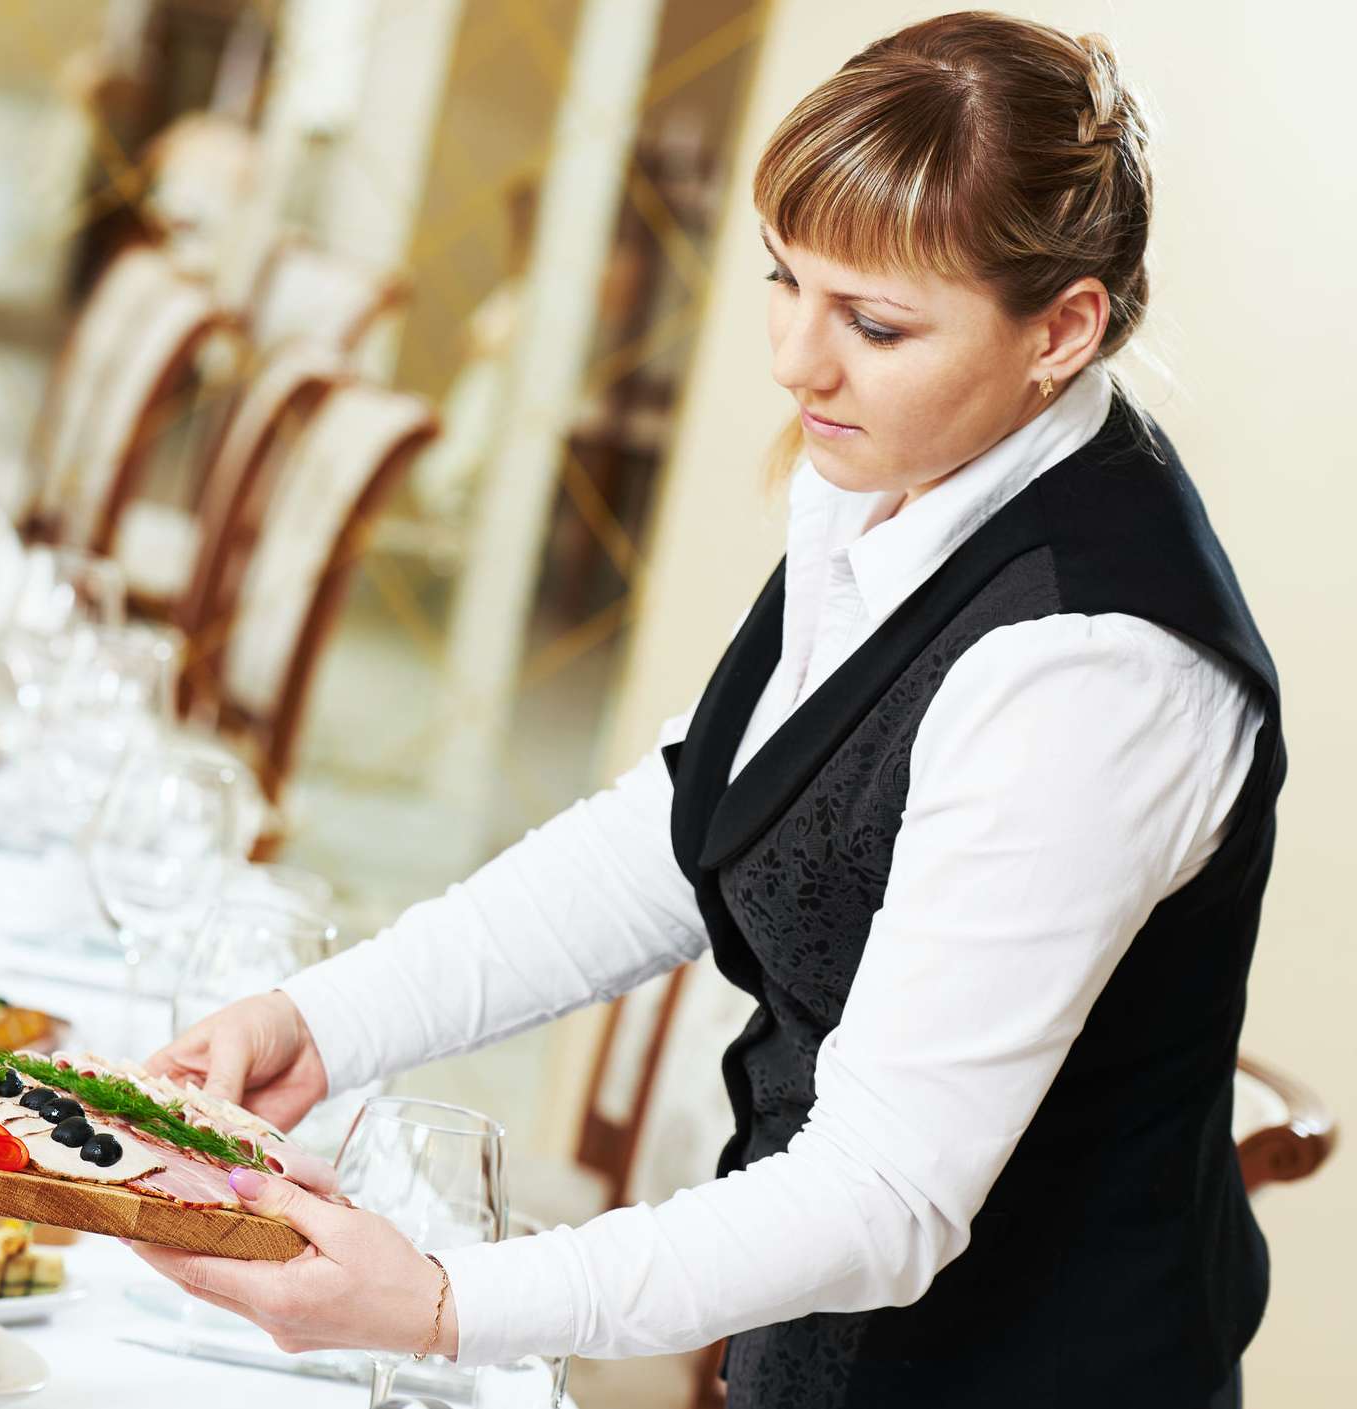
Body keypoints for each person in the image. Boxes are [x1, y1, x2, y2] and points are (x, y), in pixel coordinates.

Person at [134, 13, 1276, 1408]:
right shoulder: (901, 483)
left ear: (1063, 329)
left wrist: (442, 1304)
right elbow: (685, 829)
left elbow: (883, 1196)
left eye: (873, 323)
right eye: (783, 280)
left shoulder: (1094, 670)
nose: (797, 362)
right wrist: (323, 1023)